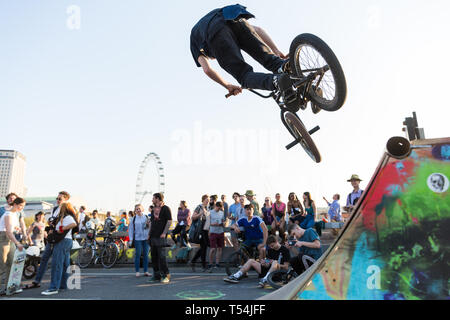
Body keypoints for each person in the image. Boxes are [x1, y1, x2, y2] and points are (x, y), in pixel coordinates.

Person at [190, 4, 299, 108]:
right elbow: (257, 30)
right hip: (233, 15)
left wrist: (227, 85)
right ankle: (286, 67)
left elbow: (207, 70)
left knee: (244, 76)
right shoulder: (215, 17)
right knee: (272, 61)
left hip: (215, 33)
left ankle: (276, 81)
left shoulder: (194, 39)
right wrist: (275, 50)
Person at [31, 191, 70, 288]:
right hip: (52, 238)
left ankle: (62, 284)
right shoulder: (55, 209)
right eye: (57, 198)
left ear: (66, 199)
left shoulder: (68, 210)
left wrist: (60, 229)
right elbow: (52, 223)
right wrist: (50, 226)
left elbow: (73, 223)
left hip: (63, 238)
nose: (57, 200)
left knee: (63, 262)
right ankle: (37, 280)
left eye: (59, 199)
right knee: (44, 258)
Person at [224, 235, 290, 287]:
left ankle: (265, 280)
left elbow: (286, 267)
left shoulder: (285, 250)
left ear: (276, 242)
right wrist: (265, 262)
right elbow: (268, 262)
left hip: (277, 273)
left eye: (272, 246)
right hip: (268, 270)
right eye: (270, 247)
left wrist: (274, 263)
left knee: (275, 262)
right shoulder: (270, 250)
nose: (271, 248)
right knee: (251, 260)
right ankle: (236, 276)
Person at [41, 202, 78, 295]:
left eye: (61, 207)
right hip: (66, 241)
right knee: (65, 264)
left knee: (56, 264)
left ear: (64, 208)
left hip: (63, 242)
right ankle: (62, 285)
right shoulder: (63, 217)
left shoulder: (67, 217)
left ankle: (53, 288)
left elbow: (74, 224)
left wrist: (62, 228)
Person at [0, 197, 27, 295]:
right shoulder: (8, 214)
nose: (21, 208)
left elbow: (12, 229)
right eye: (20, 205)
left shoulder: (14, 215)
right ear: (15, 204)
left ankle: (8, 288)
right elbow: (8, 231)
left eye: (23, 206)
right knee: (1, 266)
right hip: (3, 239)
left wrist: (18, 229)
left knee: (11, 265)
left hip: (10, 240)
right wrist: (18, 243)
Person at [148, 193, 172, 284]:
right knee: (154, 256)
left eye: (153, 198)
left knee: (161, 257)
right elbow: (152, 222)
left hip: (160, 236)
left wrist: (164, 232)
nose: (152, 200)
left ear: (157, 198)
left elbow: (169, 221)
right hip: (153, 236)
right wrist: (149, 234)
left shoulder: (166, 208)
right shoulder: (153, 209)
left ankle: (166, 275)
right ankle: (156, 275)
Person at [128, 204, 150, 277]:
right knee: (138, 254)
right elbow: (130, 230)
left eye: (139, 208)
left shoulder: (146, 218)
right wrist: (130, 239)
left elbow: (150, 228)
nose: (138, 210)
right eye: (136, 209)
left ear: (142, 209)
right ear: (135, 211)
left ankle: (146, 271)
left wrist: (149, 235)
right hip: (137, 239)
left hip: (146, 239)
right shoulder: (133, 219)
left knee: (146, 255)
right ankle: (137, 271)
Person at [190, 195, 210, 272]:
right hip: (199, 230)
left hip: (205, 230)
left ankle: (194, 261)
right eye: (206, 199)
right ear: (203, 200)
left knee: (204, 247)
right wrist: (200, 214)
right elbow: (193, 217)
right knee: (204, 246)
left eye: (208, 200)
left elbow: (208, 220)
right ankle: (203, 265)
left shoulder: (208, 208)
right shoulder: (199, 207)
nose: (208, 201)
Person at [206, 202, 225, 272]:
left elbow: (223, 221)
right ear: (215, 206)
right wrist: (212, 224)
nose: (219, 209)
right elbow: (207, 223)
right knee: (213, 249)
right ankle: (210, 263)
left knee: (220, 248)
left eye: (220, 208)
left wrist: (223, 223)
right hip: (213, 232)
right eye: (218, 208)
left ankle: (217, 263)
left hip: (221, 231)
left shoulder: (221, 213)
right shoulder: (210, 212)